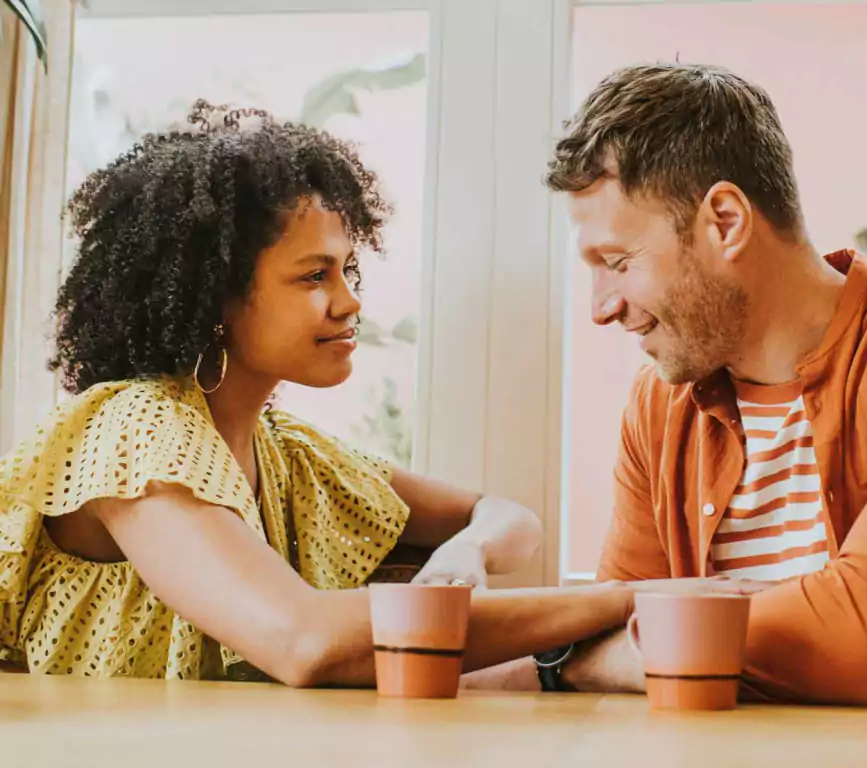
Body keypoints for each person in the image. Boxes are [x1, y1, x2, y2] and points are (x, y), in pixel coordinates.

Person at [464, 64, 867, 704]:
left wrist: (579, 661)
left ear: (726, 221)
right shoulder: (660, 405)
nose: (601, 307)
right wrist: (602, 649)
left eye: (619, 262)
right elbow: (605, 627)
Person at [0, 101, 633, 683]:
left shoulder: (288, 455)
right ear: (215, 298)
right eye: (314, 276)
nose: (350, 301)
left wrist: (469, 548)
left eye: (346, 270)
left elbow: (508, 518)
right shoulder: (136, 432)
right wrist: (625, 602)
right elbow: (306, 641)